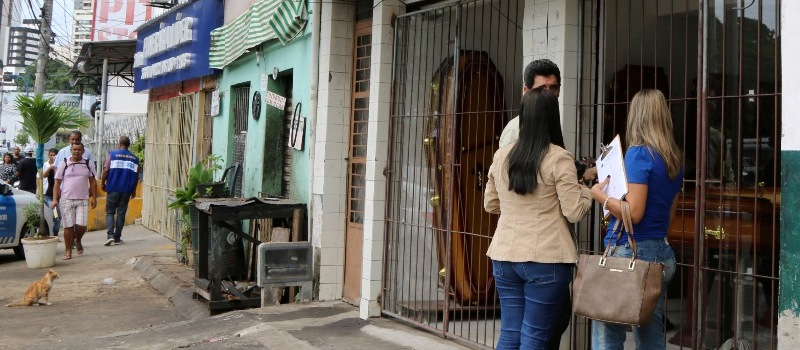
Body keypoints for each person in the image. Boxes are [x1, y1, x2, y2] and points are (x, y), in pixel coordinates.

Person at [484, 88, 594, 350]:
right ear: (552, 117)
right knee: (535, 338)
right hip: (547, 259)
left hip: (504, 256)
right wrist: (588, 192)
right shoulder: (559, 157)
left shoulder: (502, 155)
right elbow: (574, 212)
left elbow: (490, 204)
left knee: (510, 334)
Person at [589, 89, 683, 350]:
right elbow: (669, 213)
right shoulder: (673, 158)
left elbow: (634, 212)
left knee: (607, 331)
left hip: (631, 253)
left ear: (636, 116)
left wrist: (600, 196)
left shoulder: (639, 154)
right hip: (660, 251)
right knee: (651, 333)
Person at [498, 58, 562, 147]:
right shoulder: (514, 130)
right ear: (527, 91)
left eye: (553, 88)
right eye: (541, 89)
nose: (549, 94)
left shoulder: (552, 123)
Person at [52, 143, 97, 260]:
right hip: (66, 199)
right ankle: (68, 251)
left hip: (83, 199)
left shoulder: (88, 163)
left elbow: (92, 181)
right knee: (68, 227)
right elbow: (57, 182)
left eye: (79, 150)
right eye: (74, 149)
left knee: (82, 225)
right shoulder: (64, 163)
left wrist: (94, 198)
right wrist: (55, 199)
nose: (76, 151)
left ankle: (78, 240)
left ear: (83, 151)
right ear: (71, 150)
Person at [101, 136, 140, 246]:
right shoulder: (135, 158)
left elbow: (106, 170)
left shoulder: (112, 155)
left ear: (119, 144)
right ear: (129, 145)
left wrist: (102, 182)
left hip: (113, 187)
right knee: (121, 214)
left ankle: (110, 236)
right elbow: (136, 176)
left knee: (110, 212)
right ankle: (117, 237)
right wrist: (134, 190)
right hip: (126, 189)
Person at [42, 148, 61, 237]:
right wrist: (50, 168)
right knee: (56, 217)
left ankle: (55, 234)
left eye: (54, 155)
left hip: (59, 197)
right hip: (49, 197)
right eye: (51, 155)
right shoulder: (49, 167)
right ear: (48, 155)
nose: (53, 156)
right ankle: (54, 235)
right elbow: (43, 176)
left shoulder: (61, 166)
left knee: (58, 217)